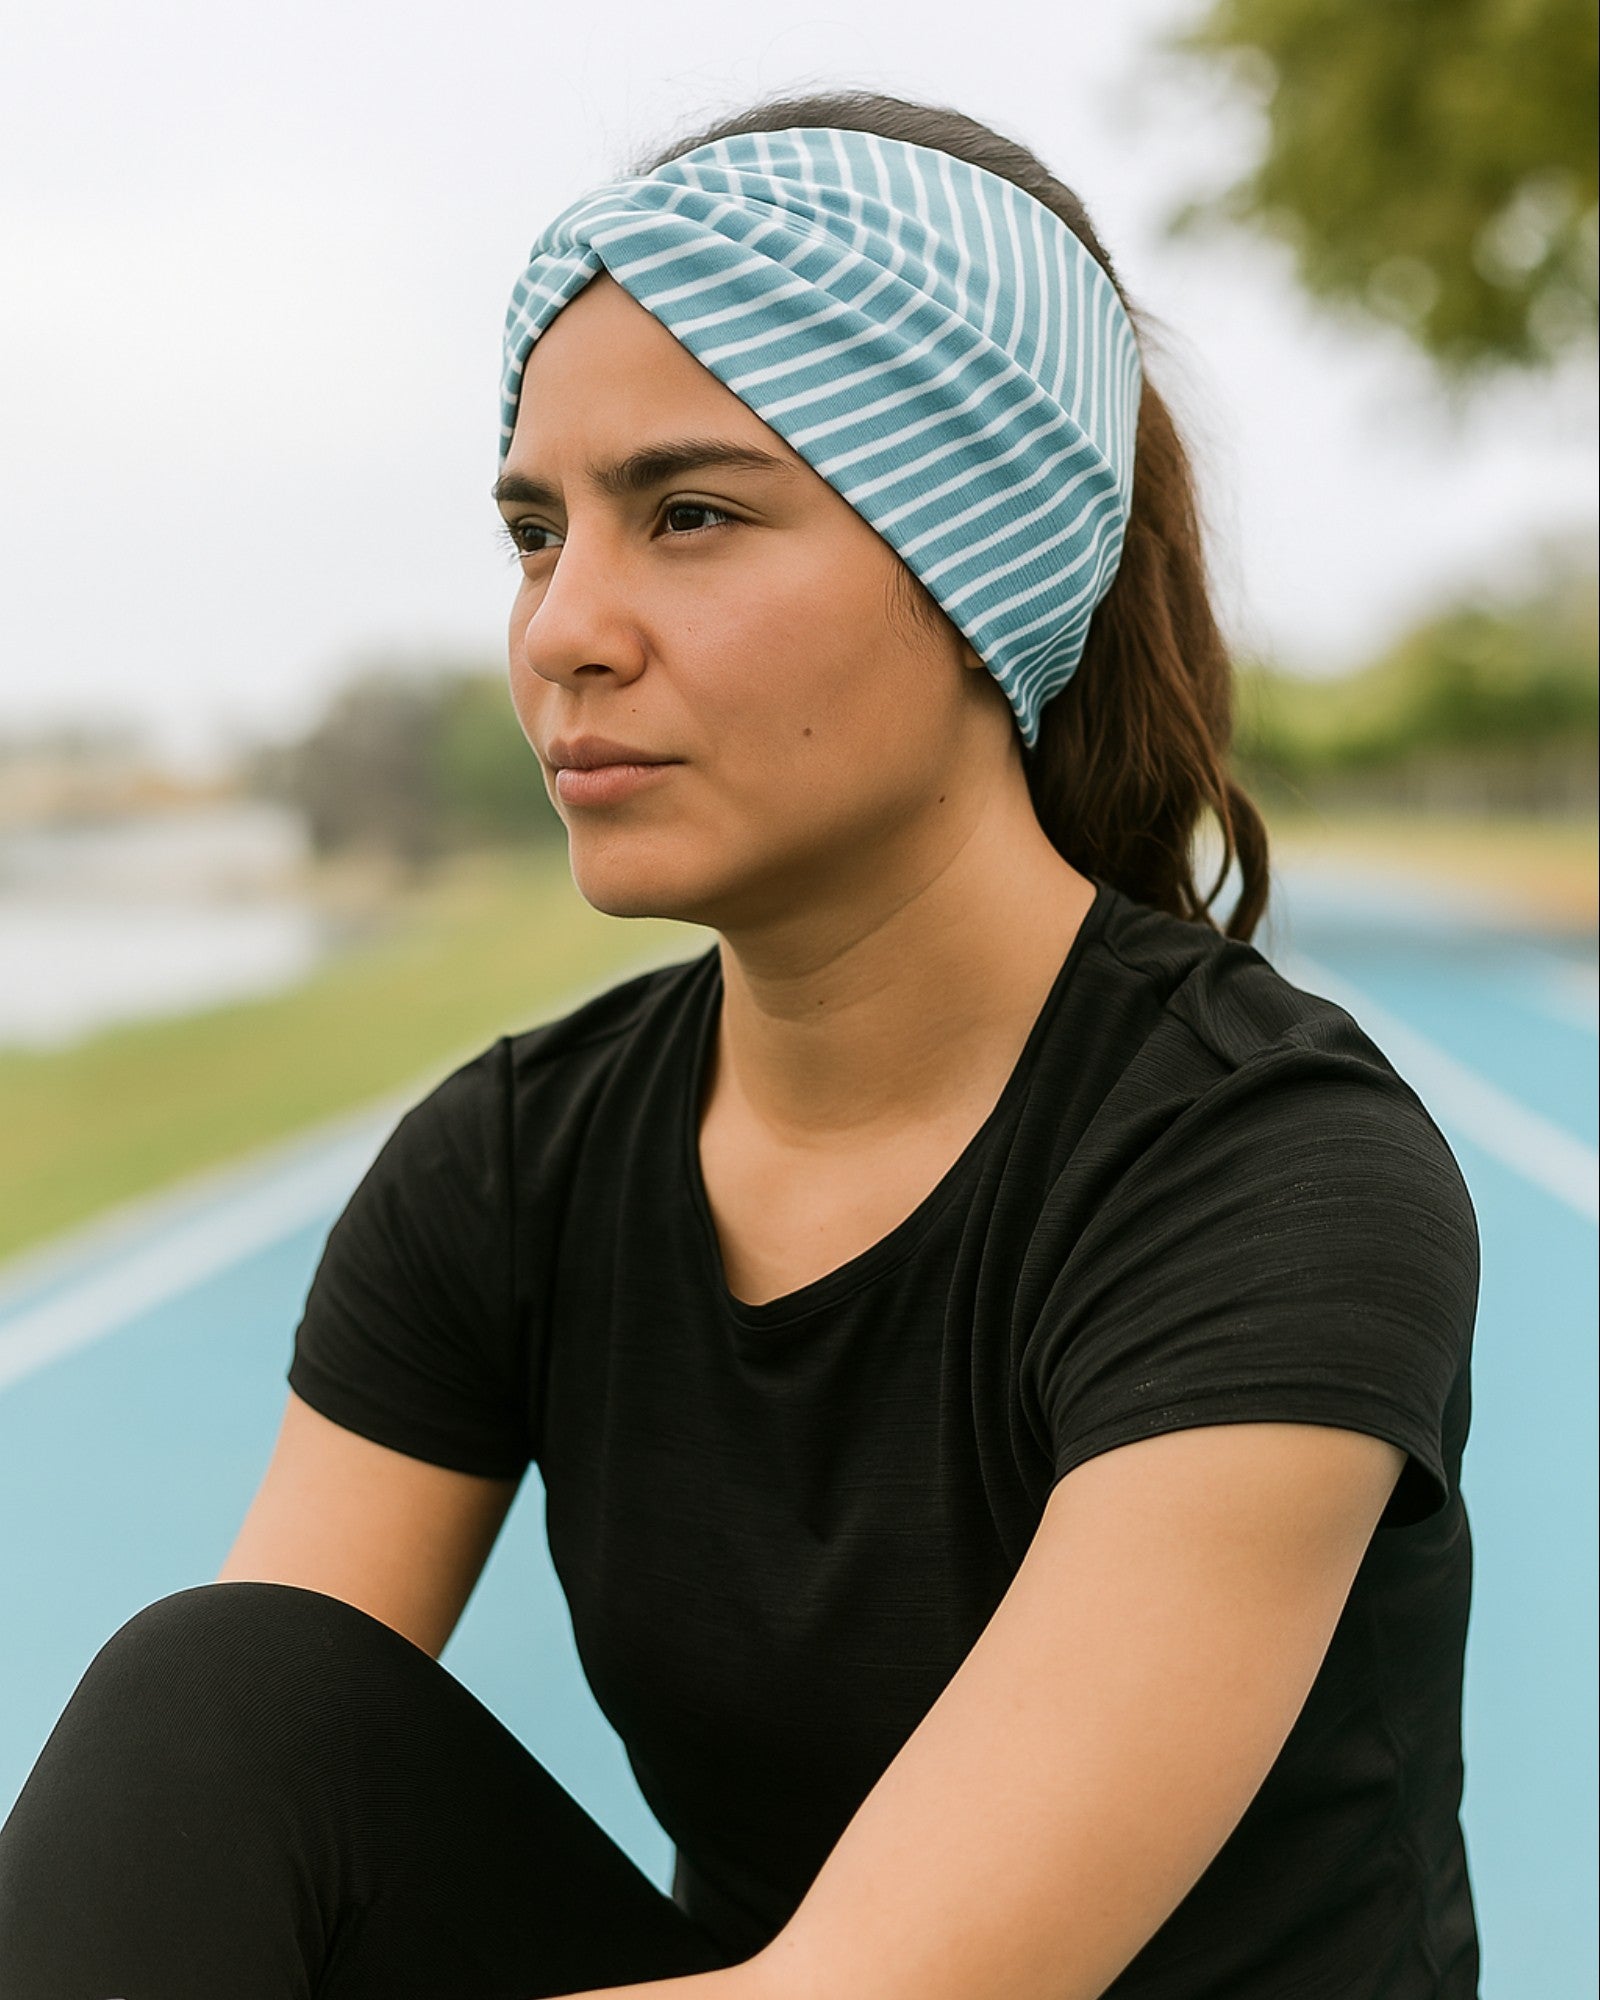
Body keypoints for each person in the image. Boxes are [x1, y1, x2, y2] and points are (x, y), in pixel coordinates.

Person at [0, 90, 1480, 2000]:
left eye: (690, 516)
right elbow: (211, 1826)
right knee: (226, 1690)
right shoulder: (511, 1164)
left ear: (979, 562)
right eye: (537, 531)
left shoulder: (1270, 1172)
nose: (562, 631)